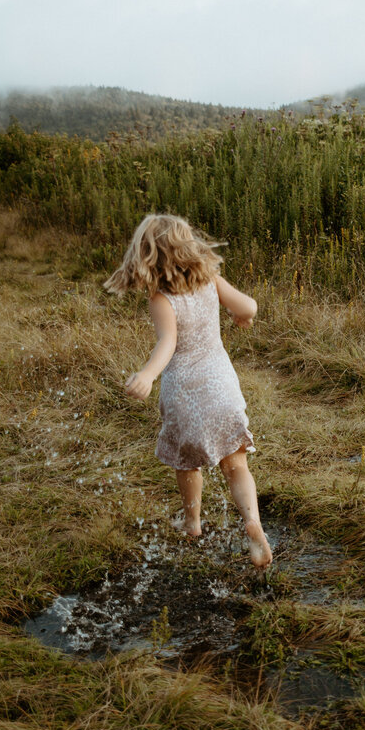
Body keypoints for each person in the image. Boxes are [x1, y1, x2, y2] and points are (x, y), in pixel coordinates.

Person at [104, 213, 272, 570]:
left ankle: (193, 521)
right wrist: (244, 317)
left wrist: (148, 375)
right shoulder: (211, 279)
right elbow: (249, 307)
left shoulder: (162, 298)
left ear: (148, 256)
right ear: (188, 247)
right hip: (223, 388)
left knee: (186, 462)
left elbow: (168, 342)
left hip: (186, 395)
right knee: (236, 464)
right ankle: (252, 523)